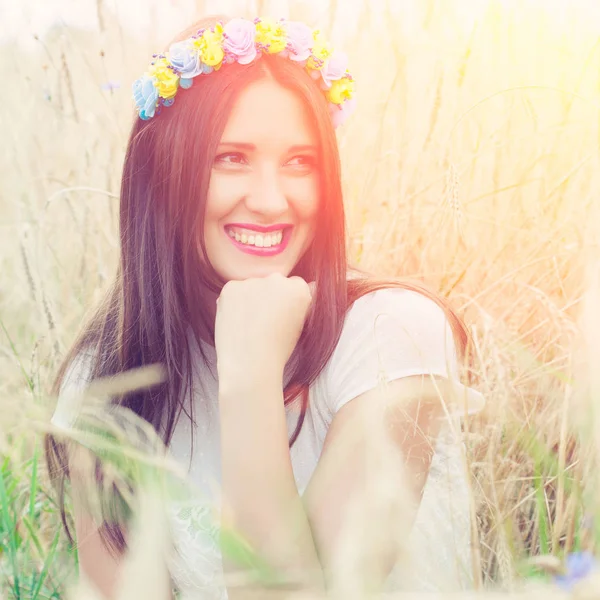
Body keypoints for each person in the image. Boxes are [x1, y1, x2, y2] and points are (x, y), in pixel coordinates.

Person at [45, 14, 485, 600]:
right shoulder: (107, 381)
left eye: (300, 162)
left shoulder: (391, 339)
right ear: (164, 170)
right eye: (232, 157)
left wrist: (250, 380)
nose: (272, 199)